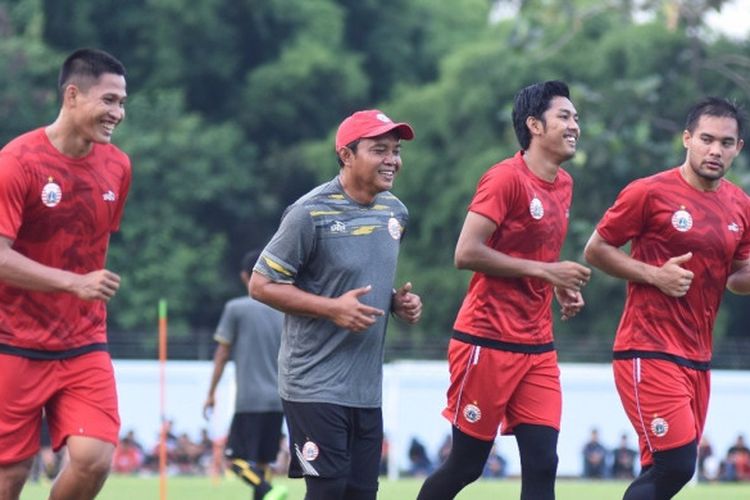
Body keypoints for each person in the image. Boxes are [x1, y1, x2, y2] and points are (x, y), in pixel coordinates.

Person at [417, 80, 591, 500]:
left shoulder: (564, 184)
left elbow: (535, 257)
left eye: (576, 118)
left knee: (543, 463)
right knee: (467, 465)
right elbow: (466, 252)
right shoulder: (504, 179)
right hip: (486, 340)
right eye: (564, 117)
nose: (575, 126)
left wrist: (557, 287)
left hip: (537, 347)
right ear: (534, 124)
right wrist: (548, 272)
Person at [249, 109, 423, 500]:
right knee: (328, 491)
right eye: (380, 150)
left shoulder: (395, 212)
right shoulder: (308, 213)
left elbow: (359, 278)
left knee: (361, 494)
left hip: (365, 388)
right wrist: (332, 308)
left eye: (395, 150)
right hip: (313, 383)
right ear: (346, 155)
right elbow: (261, 285)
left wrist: (397, 302)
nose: (393, 160)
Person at [583, 97, 749, 499]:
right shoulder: (648, 193)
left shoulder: (740, 204)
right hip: (648, 348)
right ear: (687, 139)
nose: (716, 150)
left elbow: (738, 279)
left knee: (662, 469)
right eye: (707, 139)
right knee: (677, 464)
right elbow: (596, 249)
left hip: (697, 356)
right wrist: (654, 275)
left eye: (726, 143)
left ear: (738, 148)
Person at [0, 48, 130, 500]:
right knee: (10, 478)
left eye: (121, 102)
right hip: (12, 341)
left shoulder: (118, 166)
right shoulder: (18, 162)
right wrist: (74, 283)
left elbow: (92, 242)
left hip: (83, 342)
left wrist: (83, 290)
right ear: (72, 95)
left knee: (94, 459)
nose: (118, 113)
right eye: (109, 101)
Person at [203, 250, 287, 500]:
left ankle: (267, 490)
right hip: (279, 397)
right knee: (263, 461)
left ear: (243, 276)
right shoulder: (284, 309)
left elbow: (221, 354)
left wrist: (211, 393)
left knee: (234, 460)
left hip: (250, 398)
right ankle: (266, 492)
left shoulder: (236, 308)